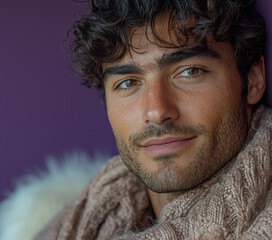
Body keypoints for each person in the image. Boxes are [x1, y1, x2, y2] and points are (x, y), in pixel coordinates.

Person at [35, 0, 272, 239]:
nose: (156, 111)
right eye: (128, 83)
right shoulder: (76, 223)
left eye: (189, 72)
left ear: (252, 80)